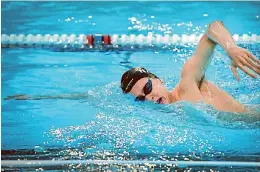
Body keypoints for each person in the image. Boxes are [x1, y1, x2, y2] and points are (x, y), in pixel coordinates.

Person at [121, 21, 260, 113]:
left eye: (148, 87)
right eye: (141, 98)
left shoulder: (187, 82)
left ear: (159, 79)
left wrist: (231, 48)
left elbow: (213, 28)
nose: (149, 97)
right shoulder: (175, 115)